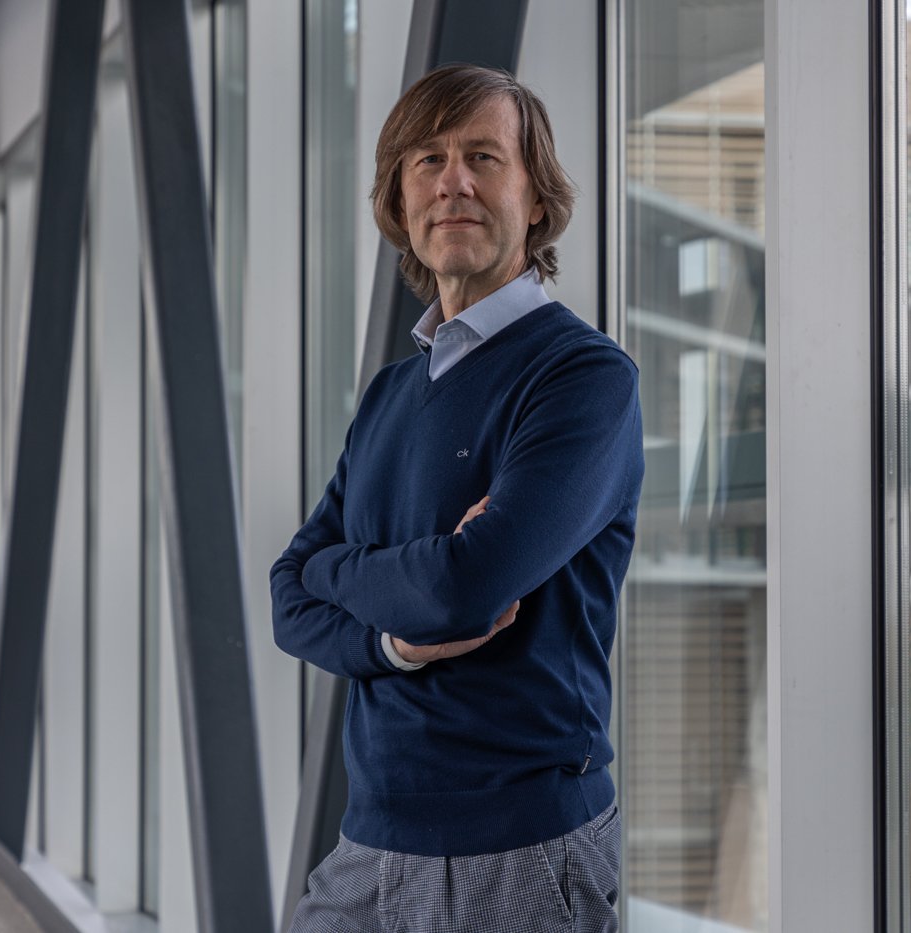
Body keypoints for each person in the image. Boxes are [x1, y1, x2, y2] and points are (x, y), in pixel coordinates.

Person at [271, 64, 644, 932]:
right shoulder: (388, 395)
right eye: (427, 160)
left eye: (484, 155)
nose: (454, 181)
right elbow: (290, 597)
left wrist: (349, 569)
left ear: (537, 199)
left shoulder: (583, 378)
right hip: (368, 840)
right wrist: (399, 642)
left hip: (522, 850)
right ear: (401, 203)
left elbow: (468, 588)